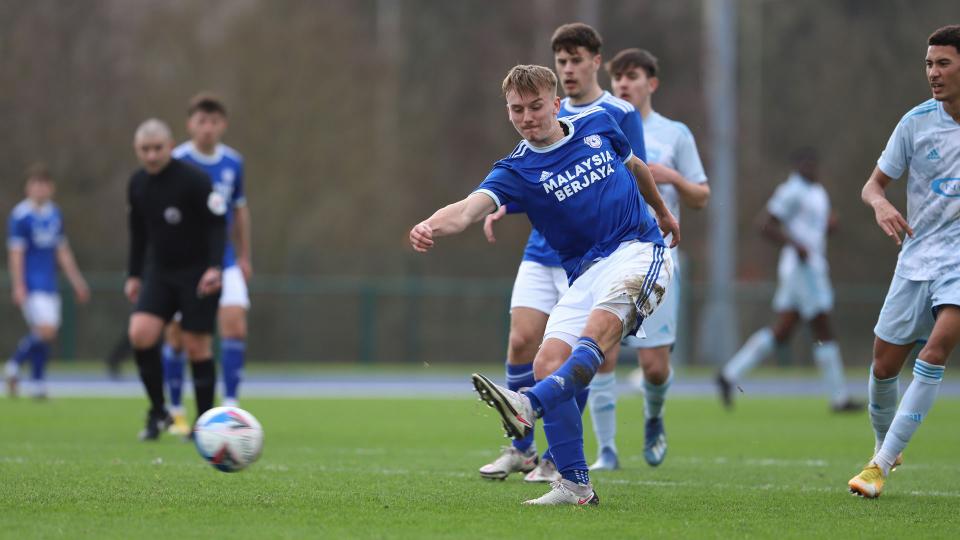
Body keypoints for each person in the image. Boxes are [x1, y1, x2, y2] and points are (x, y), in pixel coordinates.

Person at [410, 64, 678, 505]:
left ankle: (529, 405)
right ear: (509, 113)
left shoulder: (598, 123)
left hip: (636, 251)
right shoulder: (515, 169)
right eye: (517, 110)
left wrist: (663, 214)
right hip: (585, 273)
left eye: (536, 107)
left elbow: (636, 167)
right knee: (547, 361)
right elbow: (466, 210)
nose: (527, 117)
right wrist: (429, 225)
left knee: (595, 337)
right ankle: (574, 484)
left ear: (556, 104)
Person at [478, 21, 648, 484]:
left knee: (585, 351)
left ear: (596, 61)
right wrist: (498, 206)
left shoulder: (614, 113)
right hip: (543, 249)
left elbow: (632, 172)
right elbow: (526, 181)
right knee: (522, 342)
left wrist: (659, 222)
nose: (568, 69)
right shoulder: (536, 116)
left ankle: (557, 457)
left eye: (576, 60)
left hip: (603, 254)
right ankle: (521, 447)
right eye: (561, 61)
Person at [582, 48, 710, 471]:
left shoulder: (675, 134)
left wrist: (671, 177)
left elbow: (701, 197)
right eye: (617, 76)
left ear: (651, 83)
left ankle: (654, 417)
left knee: (654, 368)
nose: (622, 84)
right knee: (601, 350)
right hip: (609, 254)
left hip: (658, 256)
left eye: (632, 76)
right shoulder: (596, 124)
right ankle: (607, 451)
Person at [848, 24, 960, 498]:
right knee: (882, 367)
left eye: (944, 64)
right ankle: (885, 444)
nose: (933, 73)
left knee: (934, 353)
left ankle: (876, 467)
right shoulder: (916, 122)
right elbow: (872, 185)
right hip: (918, 256)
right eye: (929, 64)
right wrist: (881, 204)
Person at [715, 149, 862, 412]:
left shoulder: (817, 192)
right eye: (806, 164)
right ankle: (839, 399)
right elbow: (765, 224)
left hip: (810, 267)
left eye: (814, 164)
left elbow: (813, 229)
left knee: (782, 332)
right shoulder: (791, 190)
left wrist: (828, 227)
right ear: (797, 166)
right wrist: (796, 245)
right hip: (802, 270)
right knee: (823, 329)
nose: (812, 168)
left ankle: (728, 375)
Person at [126, 118, 226, 441]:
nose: (152, 156)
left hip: (197, 273)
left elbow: (216, 224)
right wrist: (134, 274)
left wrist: (214, 267)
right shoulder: (137, 184)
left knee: (197, 346)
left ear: (170, 146)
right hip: (160, 272)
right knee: (141, 334)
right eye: (145, 150)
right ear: (137, 151)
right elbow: (138, 233)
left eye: (157, 148)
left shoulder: (194, 180)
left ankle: (205, 424)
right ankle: (159, 412)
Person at [162, 93, 251, 436]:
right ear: (190, 124)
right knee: (179, 337)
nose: (208, 128)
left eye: (214, 121)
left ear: (223, 124)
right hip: (184, 263)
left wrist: (244, 256)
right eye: (202, 121)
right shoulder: (176, 160)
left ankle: (230, 406)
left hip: (224, 259)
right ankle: (175, 410)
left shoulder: (233, 162)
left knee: (234, 325)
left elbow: (239, 211)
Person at [4, 164, 89, 398]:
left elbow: (62, 251)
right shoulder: (20, 216)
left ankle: (38, 383)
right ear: (27, 188)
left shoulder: (55, 214)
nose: (39, 189)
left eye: (43, 184)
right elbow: (16, 254)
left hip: (49, 283)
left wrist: (77, 282)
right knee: (46, 330)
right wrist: (18, 285)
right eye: (35, 184)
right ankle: (13, 364)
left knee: (43, 334)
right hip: (31, 284)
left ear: (51, 188)